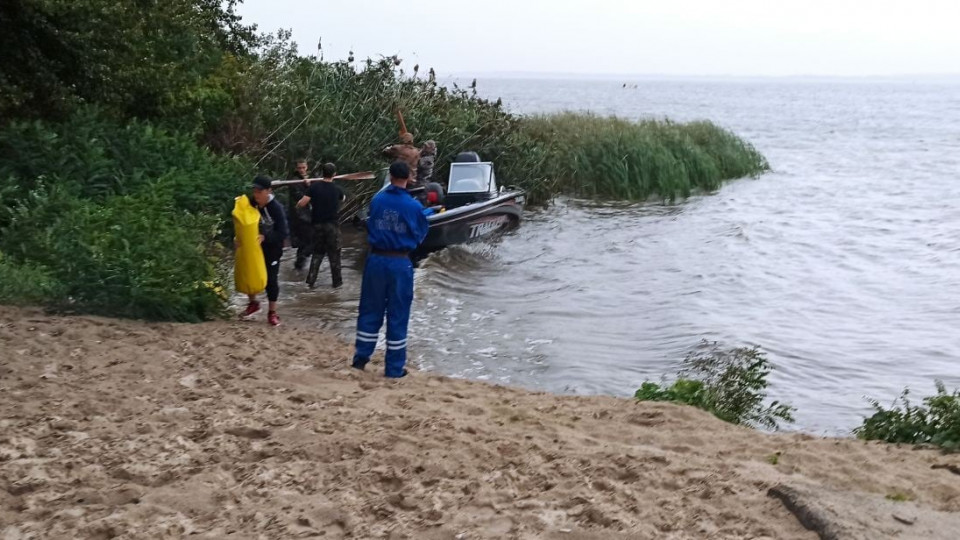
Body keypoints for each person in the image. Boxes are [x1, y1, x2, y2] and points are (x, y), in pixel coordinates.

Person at [352, 161, 429, 377]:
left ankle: (360, 358)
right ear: (408, 178)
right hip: (399, 262)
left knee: (369, 308)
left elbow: (369, 222)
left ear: (391, 176)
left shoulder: (377, 200)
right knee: (398, 313)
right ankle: (394, 369)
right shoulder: (414, 206)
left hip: (375, 259)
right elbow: (420, 234)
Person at [240, 175, 289, 326]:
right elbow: (242, 219)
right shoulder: (252, 202)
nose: (256, 195)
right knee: (250, 274)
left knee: (271, 280)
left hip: (272, 249)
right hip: (254, 247)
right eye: (254, 191)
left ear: (268, 191)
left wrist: (266, 237)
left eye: (259, 192)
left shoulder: (276, 209)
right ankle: (253, 304)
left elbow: (283, 232)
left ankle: (272, 312)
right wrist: (238, 237)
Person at [297, 162, 346, 288]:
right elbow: (343, 198)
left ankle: (311, 282)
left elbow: (302, 203)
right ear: (334, 174)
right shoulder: (337, 189)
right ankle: (337, 284)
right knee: (334, 255)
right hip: (332, 226)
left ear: (322, 173)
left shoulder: (314, 187)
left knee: (317, 254)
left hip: (317, 226)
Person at [287, 159, 313, 270]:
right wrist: (308, 186)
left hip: (306, 214)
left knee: (304, 242)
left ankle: (298, 267)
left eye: (303, 167)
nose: (302, 170)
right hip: (299, 216)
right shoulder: (294, 181)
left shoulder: (308, 178)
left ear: (307, 167)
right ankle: (299, 264)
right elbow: (300, 198)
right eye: (299, 168)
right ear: (296, 168)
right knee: (310, 241)